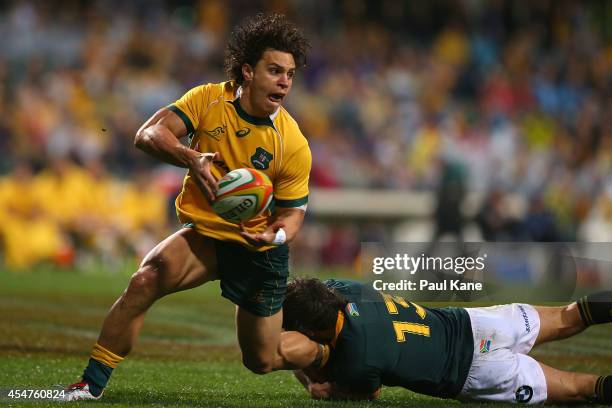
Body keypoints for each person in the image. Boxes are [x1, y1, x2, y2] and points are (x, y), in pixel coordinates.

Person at [61, 13, 323, 401]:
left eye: (289, 73)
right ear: (248, 72)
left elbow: (293, 213)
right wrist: (189, 157)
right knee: (145, 279)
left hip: (258, 251)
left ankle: (323, 353)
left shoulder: (293, 143)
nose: (285, 80)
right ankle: (90, 385)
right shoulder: (208, 99)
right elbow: (148, 134)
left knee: (263, 360)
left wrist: (275, 233)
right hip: (207, 237)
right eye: (274, 70)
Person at [283, 277, 612, 405]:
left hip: (476, 370)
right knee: (572, 314)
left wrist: (317, 387)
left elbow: (368, 392)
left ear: (312, 331)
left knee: (579, 387)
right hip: (477, 324)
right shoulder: (345, 289)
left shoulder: (357, 358)